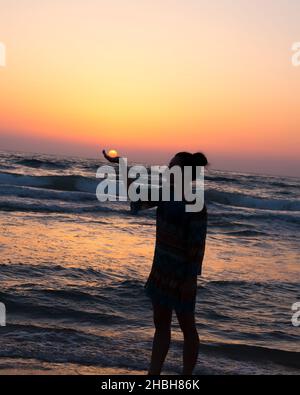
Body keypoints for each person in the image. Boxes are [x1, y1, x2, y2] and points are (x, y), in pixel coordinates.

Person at [103, 150, 208, 375]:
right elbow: (135, 194)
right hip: (160, 270)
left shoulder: (195, 202)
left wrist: (190, 280)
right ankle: (154, 374)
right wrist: (121, 164)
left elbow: (197, 246)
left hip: (182, 275)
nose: (168, 170)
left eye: (173, 167)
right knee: (161, 325)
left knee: (187, 327)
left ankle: (186, 377)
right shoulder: (165, 194)